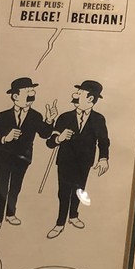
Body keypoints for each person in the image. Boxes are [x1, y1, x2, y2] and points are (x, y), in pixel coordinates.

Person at [0, 78, 58, 231]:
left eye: (32, 93)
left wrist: (49, 121)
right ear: (15, 96)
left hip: (22, 159)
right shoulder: (3, 116)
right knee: (1, 189)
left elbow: (44, 134)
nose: (32, 96)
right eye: (27, 93)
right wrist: (5, 138)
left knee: (15, 188)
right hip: (2, 159)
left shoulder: (35, 116)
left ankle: (10, 214)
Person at [45, 80, 109, 239]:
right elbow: (50, 142)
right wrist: (59, 138)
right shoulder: (65, 117)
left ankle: (73, 215)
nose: (75, 95)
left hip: (85, 162)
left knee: (79, 190)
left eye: (80, 93)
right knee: (63, 192)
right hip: (65, 161)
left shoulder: (98, 119)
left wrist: (103, 158)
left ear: (90, 99)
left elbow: (103, 141)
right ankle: (60, 223)